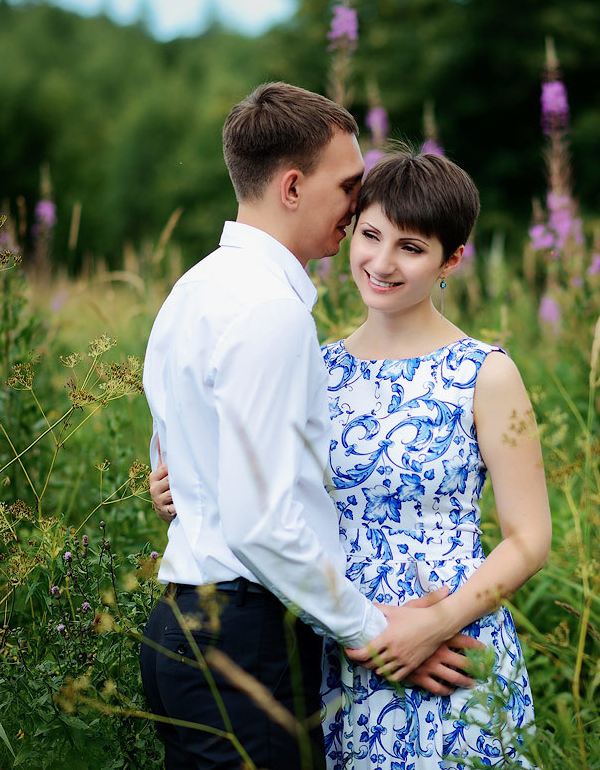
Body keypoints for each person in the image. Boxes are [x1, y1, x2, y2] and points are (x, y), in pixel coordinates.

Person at [151, 149, 552, 768]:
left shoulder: (486, 374)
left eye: (411, 247)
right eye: (370, 235)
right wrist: (179, 489)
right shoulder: (317, 363)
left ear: (452, 259)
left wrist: (438, 622)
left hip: (445, 648)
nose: (381, 263)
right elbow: (261, 494)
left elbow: (529, 539)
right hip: (335, 645)